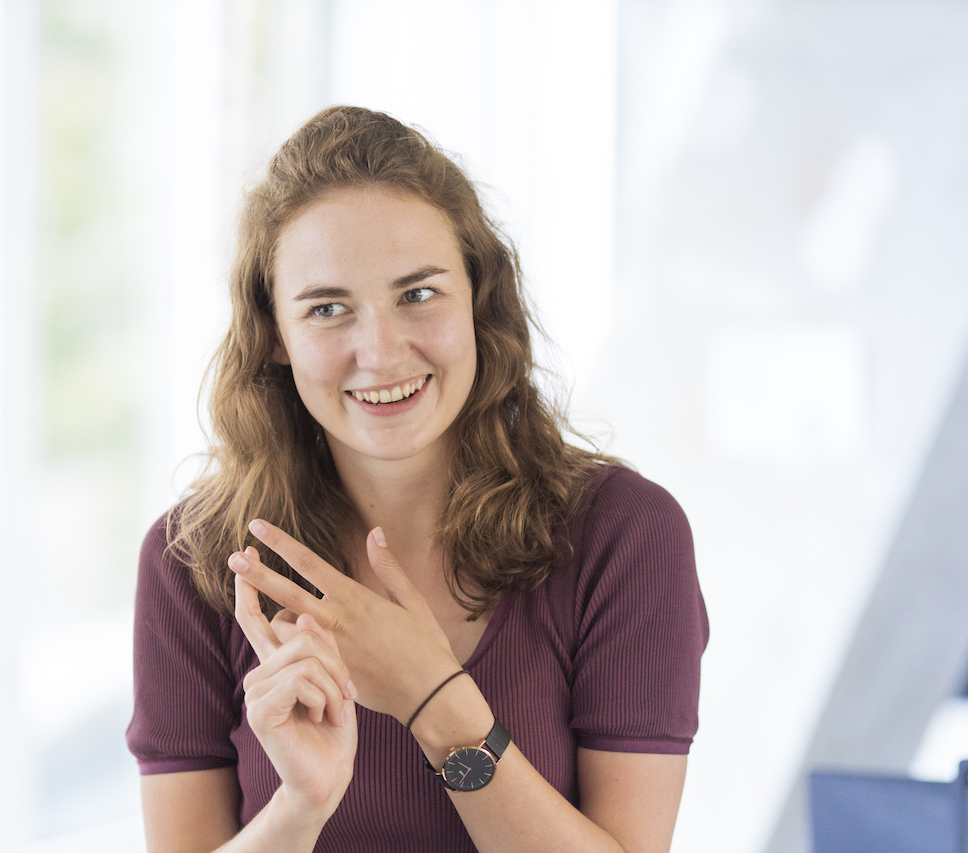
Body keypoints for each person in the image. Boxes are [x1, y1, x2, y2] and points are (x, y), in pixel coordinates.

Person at [127, 105, 708, 852]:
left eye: (418, 293)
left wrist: (432, 699)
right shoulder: (195, 564)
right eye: (328, 308)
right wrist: (299, 805)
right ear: (274, 334)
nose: (381, 350)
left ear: (479, 298)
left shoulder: (622, 536)